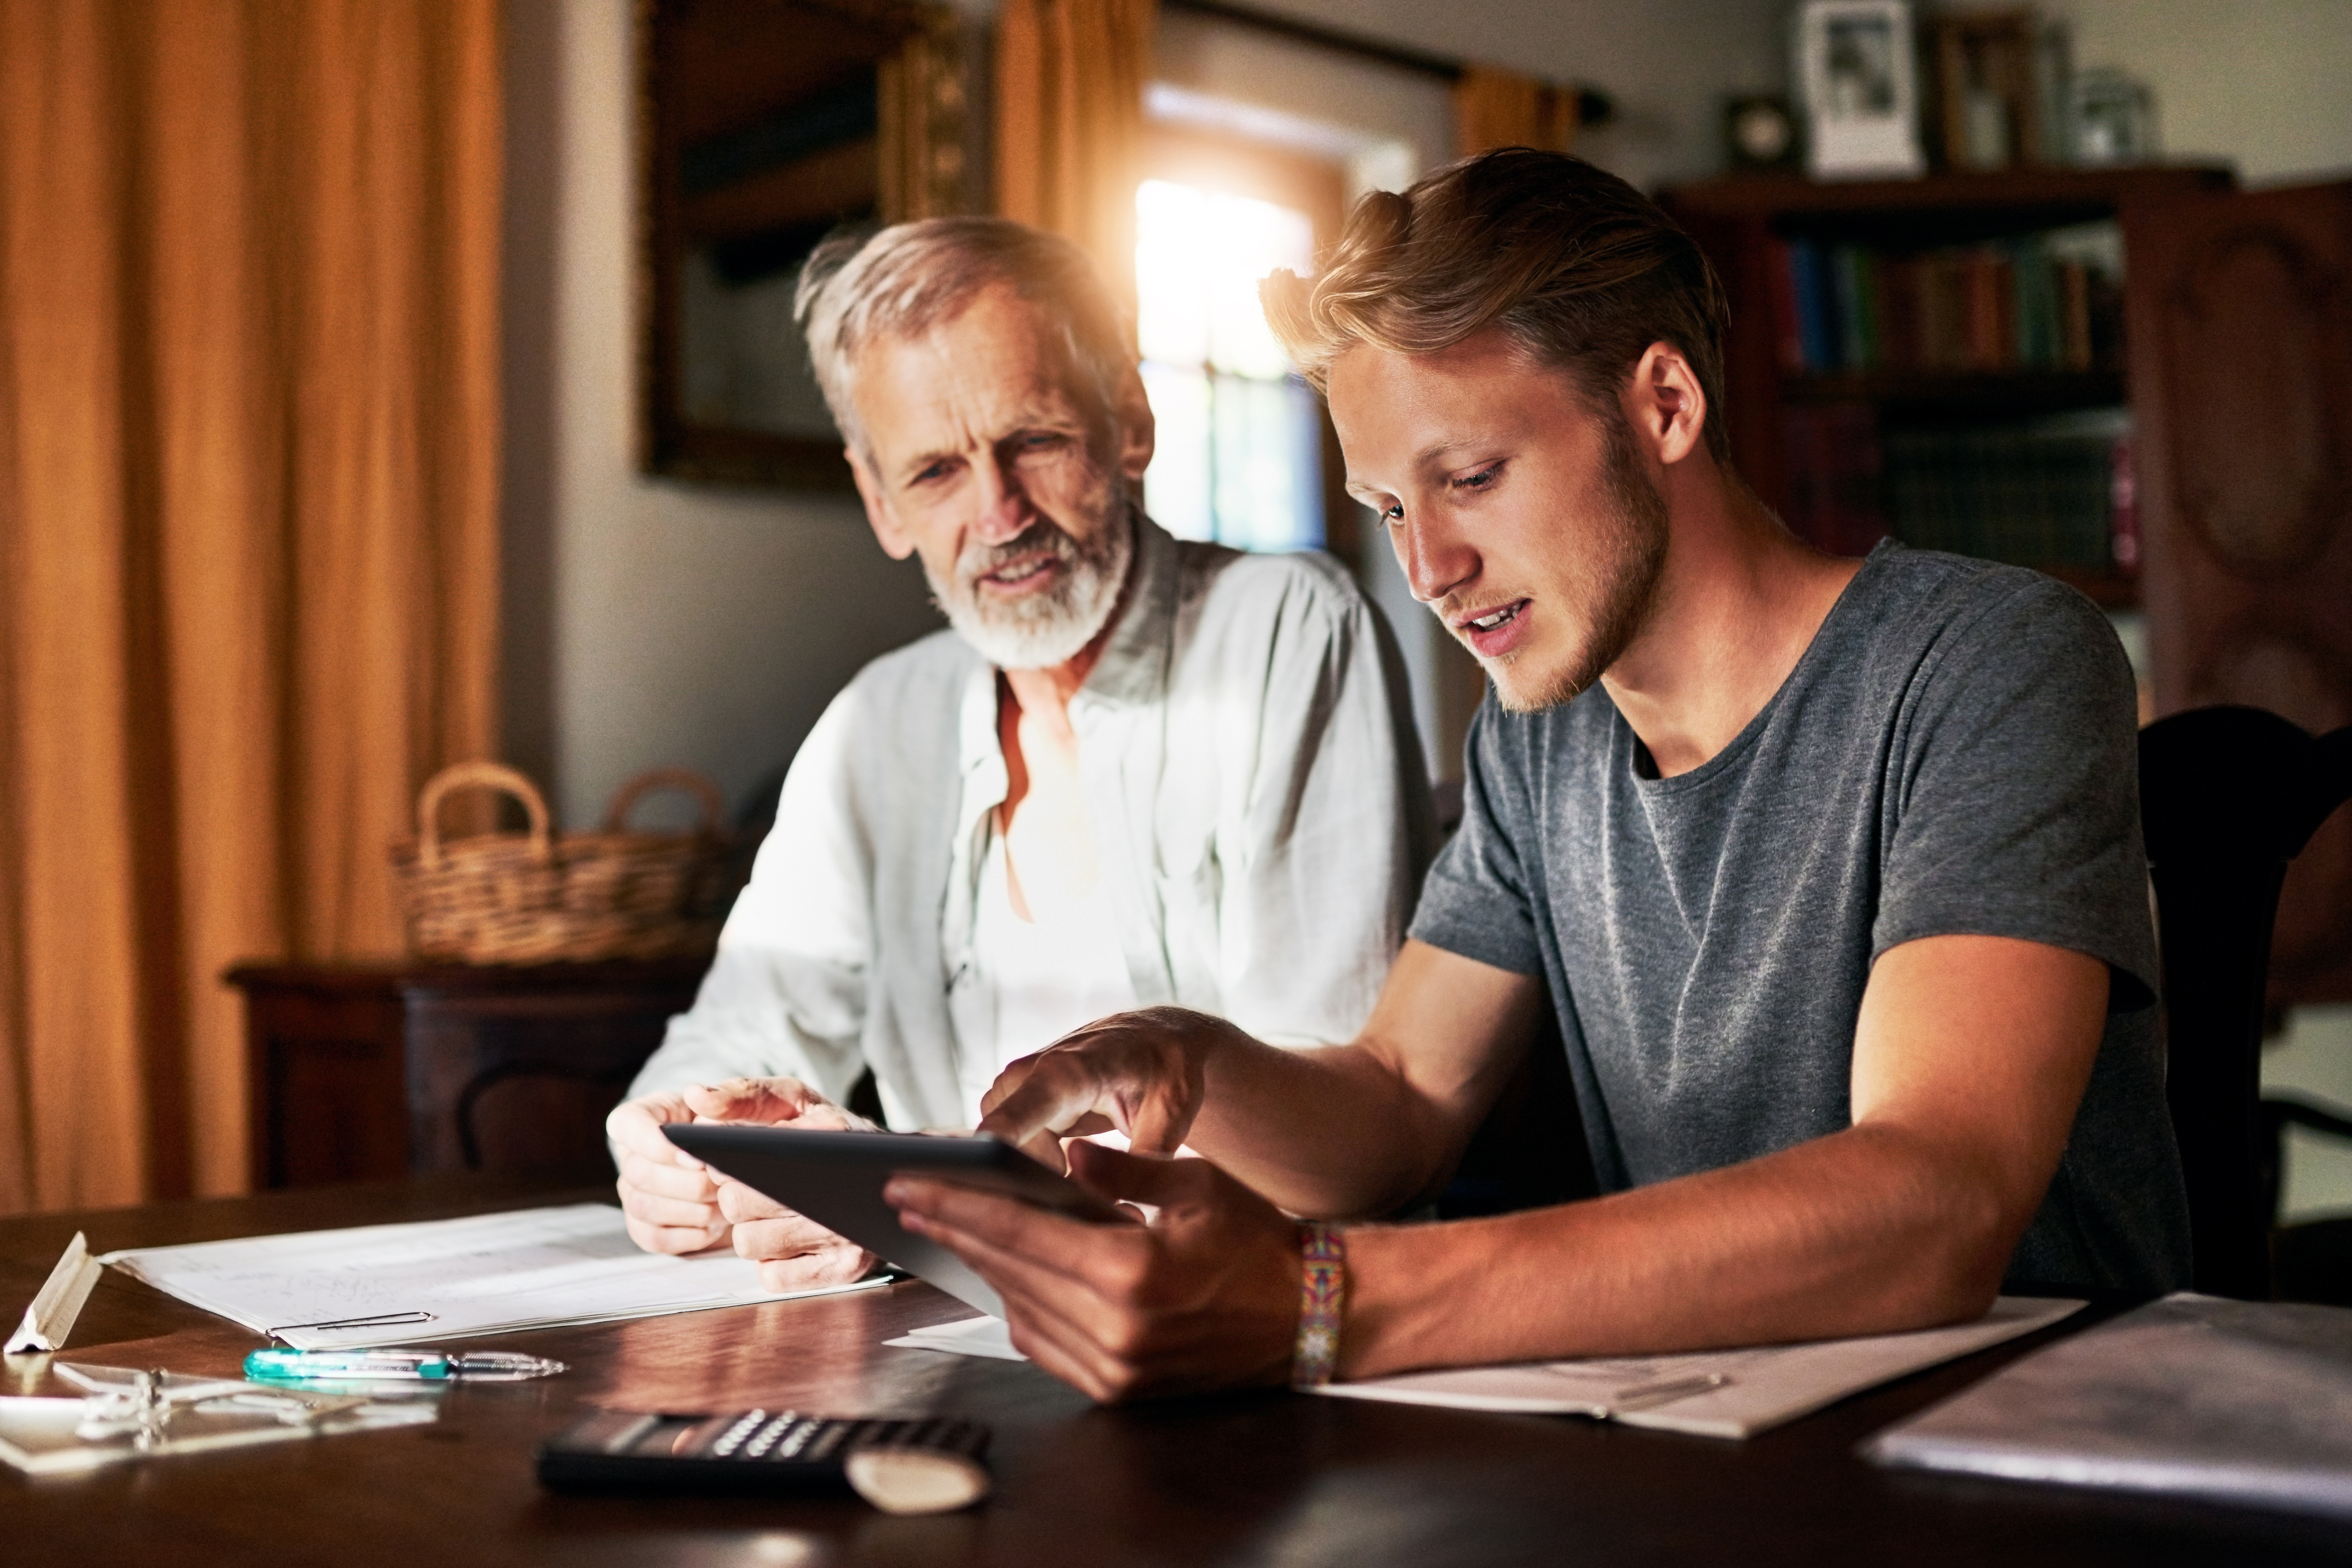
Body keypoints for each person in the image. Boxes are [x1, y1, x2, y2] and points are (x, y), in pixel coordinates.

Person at [883, 149, 2191, 1403]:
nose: (1427, 568)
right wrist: (1182, 1056)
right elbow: (1397, 1101)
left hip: (2034, 1446)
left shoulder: (1990, 662)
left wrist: (1321, 1297)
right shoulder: (1536, 736)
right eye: (1391, 507)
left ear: (1663, 405)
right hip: (1719, 1436)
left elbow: (1934, 1201)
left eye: (1470, 478)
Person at [608, 217, 1434, 1290]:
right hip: (963, 1339)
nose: (998, 513)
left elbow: (1334, 1145)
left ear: (1129, 422)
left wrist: (914, 1195)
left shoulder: (1287, 629)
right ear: (880, 502)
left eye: (1034, 441)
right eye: (937, 471)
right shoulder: (876, 725)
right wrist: (673, 1146)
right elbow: (732, 1038)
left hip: (1256, 1329)